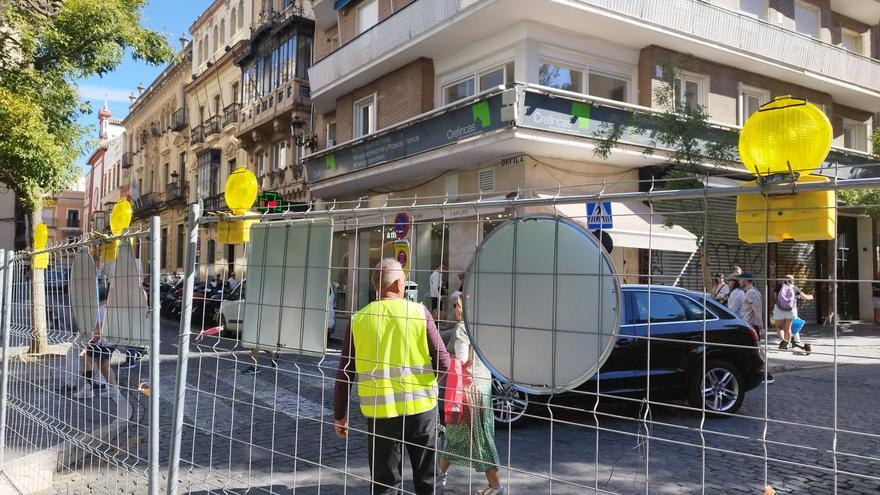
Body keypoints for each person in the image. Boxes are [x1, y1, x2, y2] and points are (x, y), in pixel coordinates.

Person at [333, 258, 450, 495]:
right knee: (428, 479)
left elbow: (345, 373)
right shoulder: (419, 312)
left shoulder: (359, 319)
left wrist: (340, 416)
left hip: (381, 412)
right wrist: (429, 383)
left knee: (385, 483)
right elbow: (444, 361)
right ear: (399, 285)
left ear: (377, 286)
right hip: (422, 409)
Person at [439, 292, 503, 495]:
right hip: (483, 386)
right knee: (456, 434)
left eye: (458, 306)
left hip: (467, 391)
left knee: (479, 439)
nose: (455, 309)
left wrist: (447, 355)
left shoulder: (462, 328)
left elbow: (462, 357)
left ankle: (497, 487)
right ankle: (439, 475)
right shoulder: (482, 327)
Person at [74, 286, 122, 400]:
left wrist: (90, 341)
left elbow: (100, 329)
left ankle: (87, 389)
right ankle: (114, 389)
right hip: (111, 341)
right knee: (103, 365)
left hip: (101, 341)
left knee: (85, 360)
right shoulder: (110, 307)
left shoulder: (102, 309)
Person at [772, 274, 813, 350]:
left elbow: (774, 297)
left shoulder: (779, 286)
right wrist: (810, 297)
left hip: (779, 309)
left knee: (779, 327)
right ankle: (786, 344)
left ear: (784, 280)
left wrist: (778, 304)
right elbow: (805, 297)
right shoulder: (795, 288)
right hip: (791, 310)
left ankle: (783, 341)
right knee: (788, 329)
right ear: (793, 281)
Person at [738, 273, 763, 337]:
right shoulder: (755, 291)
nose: (739, 281)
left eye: (740, 279)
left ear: (745, 280)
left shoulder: (751, 292)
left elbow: (756, 311)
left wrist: (761, 328)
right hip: (751, 325)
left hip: (750, 326)